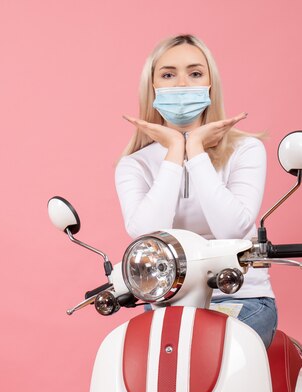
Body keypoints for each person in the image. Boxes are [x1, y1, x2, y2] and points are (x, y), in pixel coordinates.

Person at [115, 34, 277, 347]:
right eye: (167, 74)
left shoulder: (246, 150)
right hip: (169, 301)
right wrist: (176, 150)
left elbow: (233, 228)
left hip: (243, 297)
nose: (181, 84)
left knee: (205, 351)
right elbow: (148, 233)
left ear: (210, 84)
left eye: (195, 73)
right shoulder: (134, 165)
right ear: (152, 88)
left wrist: (197, 150)